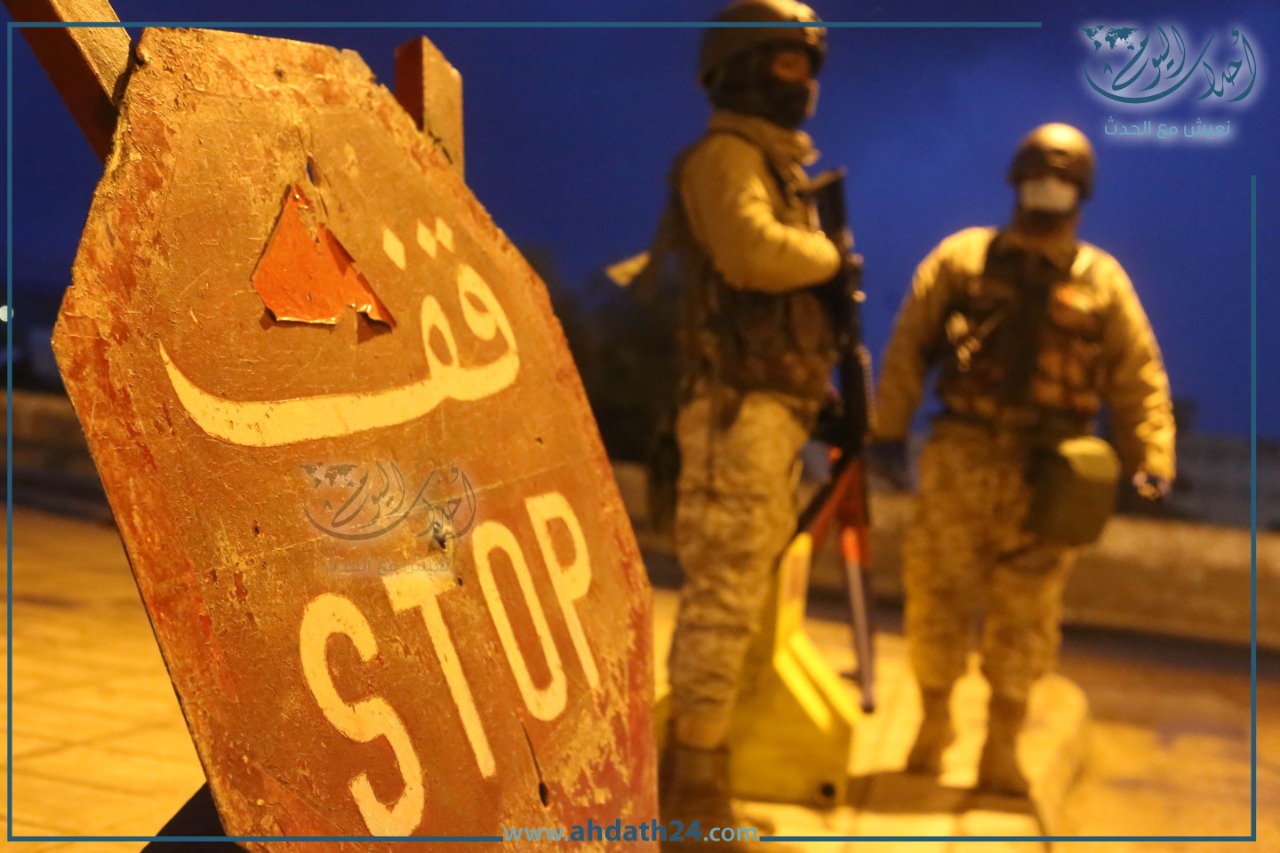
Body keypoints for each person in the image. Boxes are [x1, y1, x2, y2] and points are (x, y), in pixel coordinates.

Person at [870, 123, 1175, 795]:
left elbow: (1138, 376)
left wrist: (1151, 456)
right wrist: (886, 429)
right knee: (936, 595)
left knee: (1027, 614)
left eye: (1061, 182)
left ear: (1080, 193)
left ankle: (1002, 745)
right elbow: (909, 343)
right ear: (1016, 184)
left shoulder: (1100, 280)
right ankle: (934, 719)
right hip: (961, 455)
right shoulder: (964, 260)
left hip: (1050, 473)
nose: (1047, 192)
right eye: (1038, 179)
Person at [657, 0, 847, 844]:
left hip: (768, 415)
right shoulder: (728, 156)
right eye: (788, 63)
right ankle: (690, 805)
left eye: (809, 66)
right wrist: (831, 256)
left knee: (738, 602)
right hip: (736, 415)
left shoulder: (776, 167)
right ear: (741, 67)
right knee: (722, 600)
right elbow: (751, 252)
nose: (805, 84)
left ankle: (699, 793)